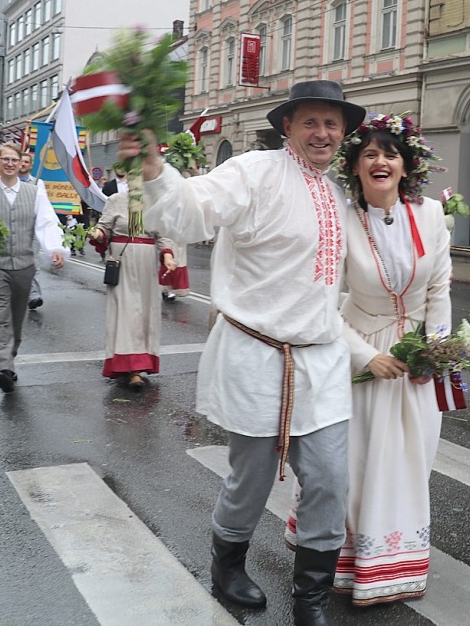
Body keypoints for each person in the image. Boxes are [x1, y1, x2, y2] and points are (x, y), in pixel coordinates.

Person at [117, 81, 367, 626]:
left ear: (343, 132)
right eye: (311, 122)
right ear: (288, 128)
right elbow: (191, 215)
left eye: (332, 123)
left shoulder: (340, 194)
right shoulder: (253, 170)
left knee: (328, 478)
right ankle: (227, 563)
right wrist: (157, 171)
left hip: (320, 359)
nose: (322, 133)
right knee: (250, 478)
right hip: (256, 355)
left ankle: (311, 599)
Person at [284, 113, 452, 607]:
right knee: (357, 463)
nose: (381, 161)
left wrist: (436, 349)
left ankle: (395, 563)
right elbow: (321, 301)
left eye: (390, 154)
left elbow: (440, 288)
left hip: (415, 361)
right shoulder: (339, 220)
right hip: (361, 354)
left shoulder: (430, 217)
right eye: (370, 154)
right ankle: (346, 565)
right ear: (356, 167)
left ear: (406, 165)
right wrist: (368, 357)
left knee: (410, 458)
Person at [0, 143, 69, 393]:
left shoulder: (34, 192)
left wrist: (55, 249)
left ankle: (9, 357)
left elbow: (47, 222)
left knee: (16, 320)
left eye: (13, 159)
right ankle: (4, 368)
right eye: (4, 159)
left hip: (24, 266)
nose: (9, 163)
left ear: (20, 163)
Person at [89, 190, 177, 389]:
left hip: (146, 263)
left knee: (144, 312)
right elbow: (104, 228)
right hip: (122, 262)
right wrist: (97, 233)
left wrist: (168, 256)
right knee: (126, 313)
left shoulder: (156, 200)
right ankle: (130, 368)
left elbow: (163, 234)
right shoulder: (115, 200)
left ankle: (137, 365)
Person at [18, 151, 45, 309]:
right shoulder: (11, 182)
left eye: (26, 162)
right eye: (20, 161)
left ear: (30, 165)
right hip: (14, 227)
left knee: (33, 261)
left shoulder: (38, 183)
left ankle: (34, 295)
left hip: (32, 228)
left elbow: (41, 204)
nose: (23, 165)